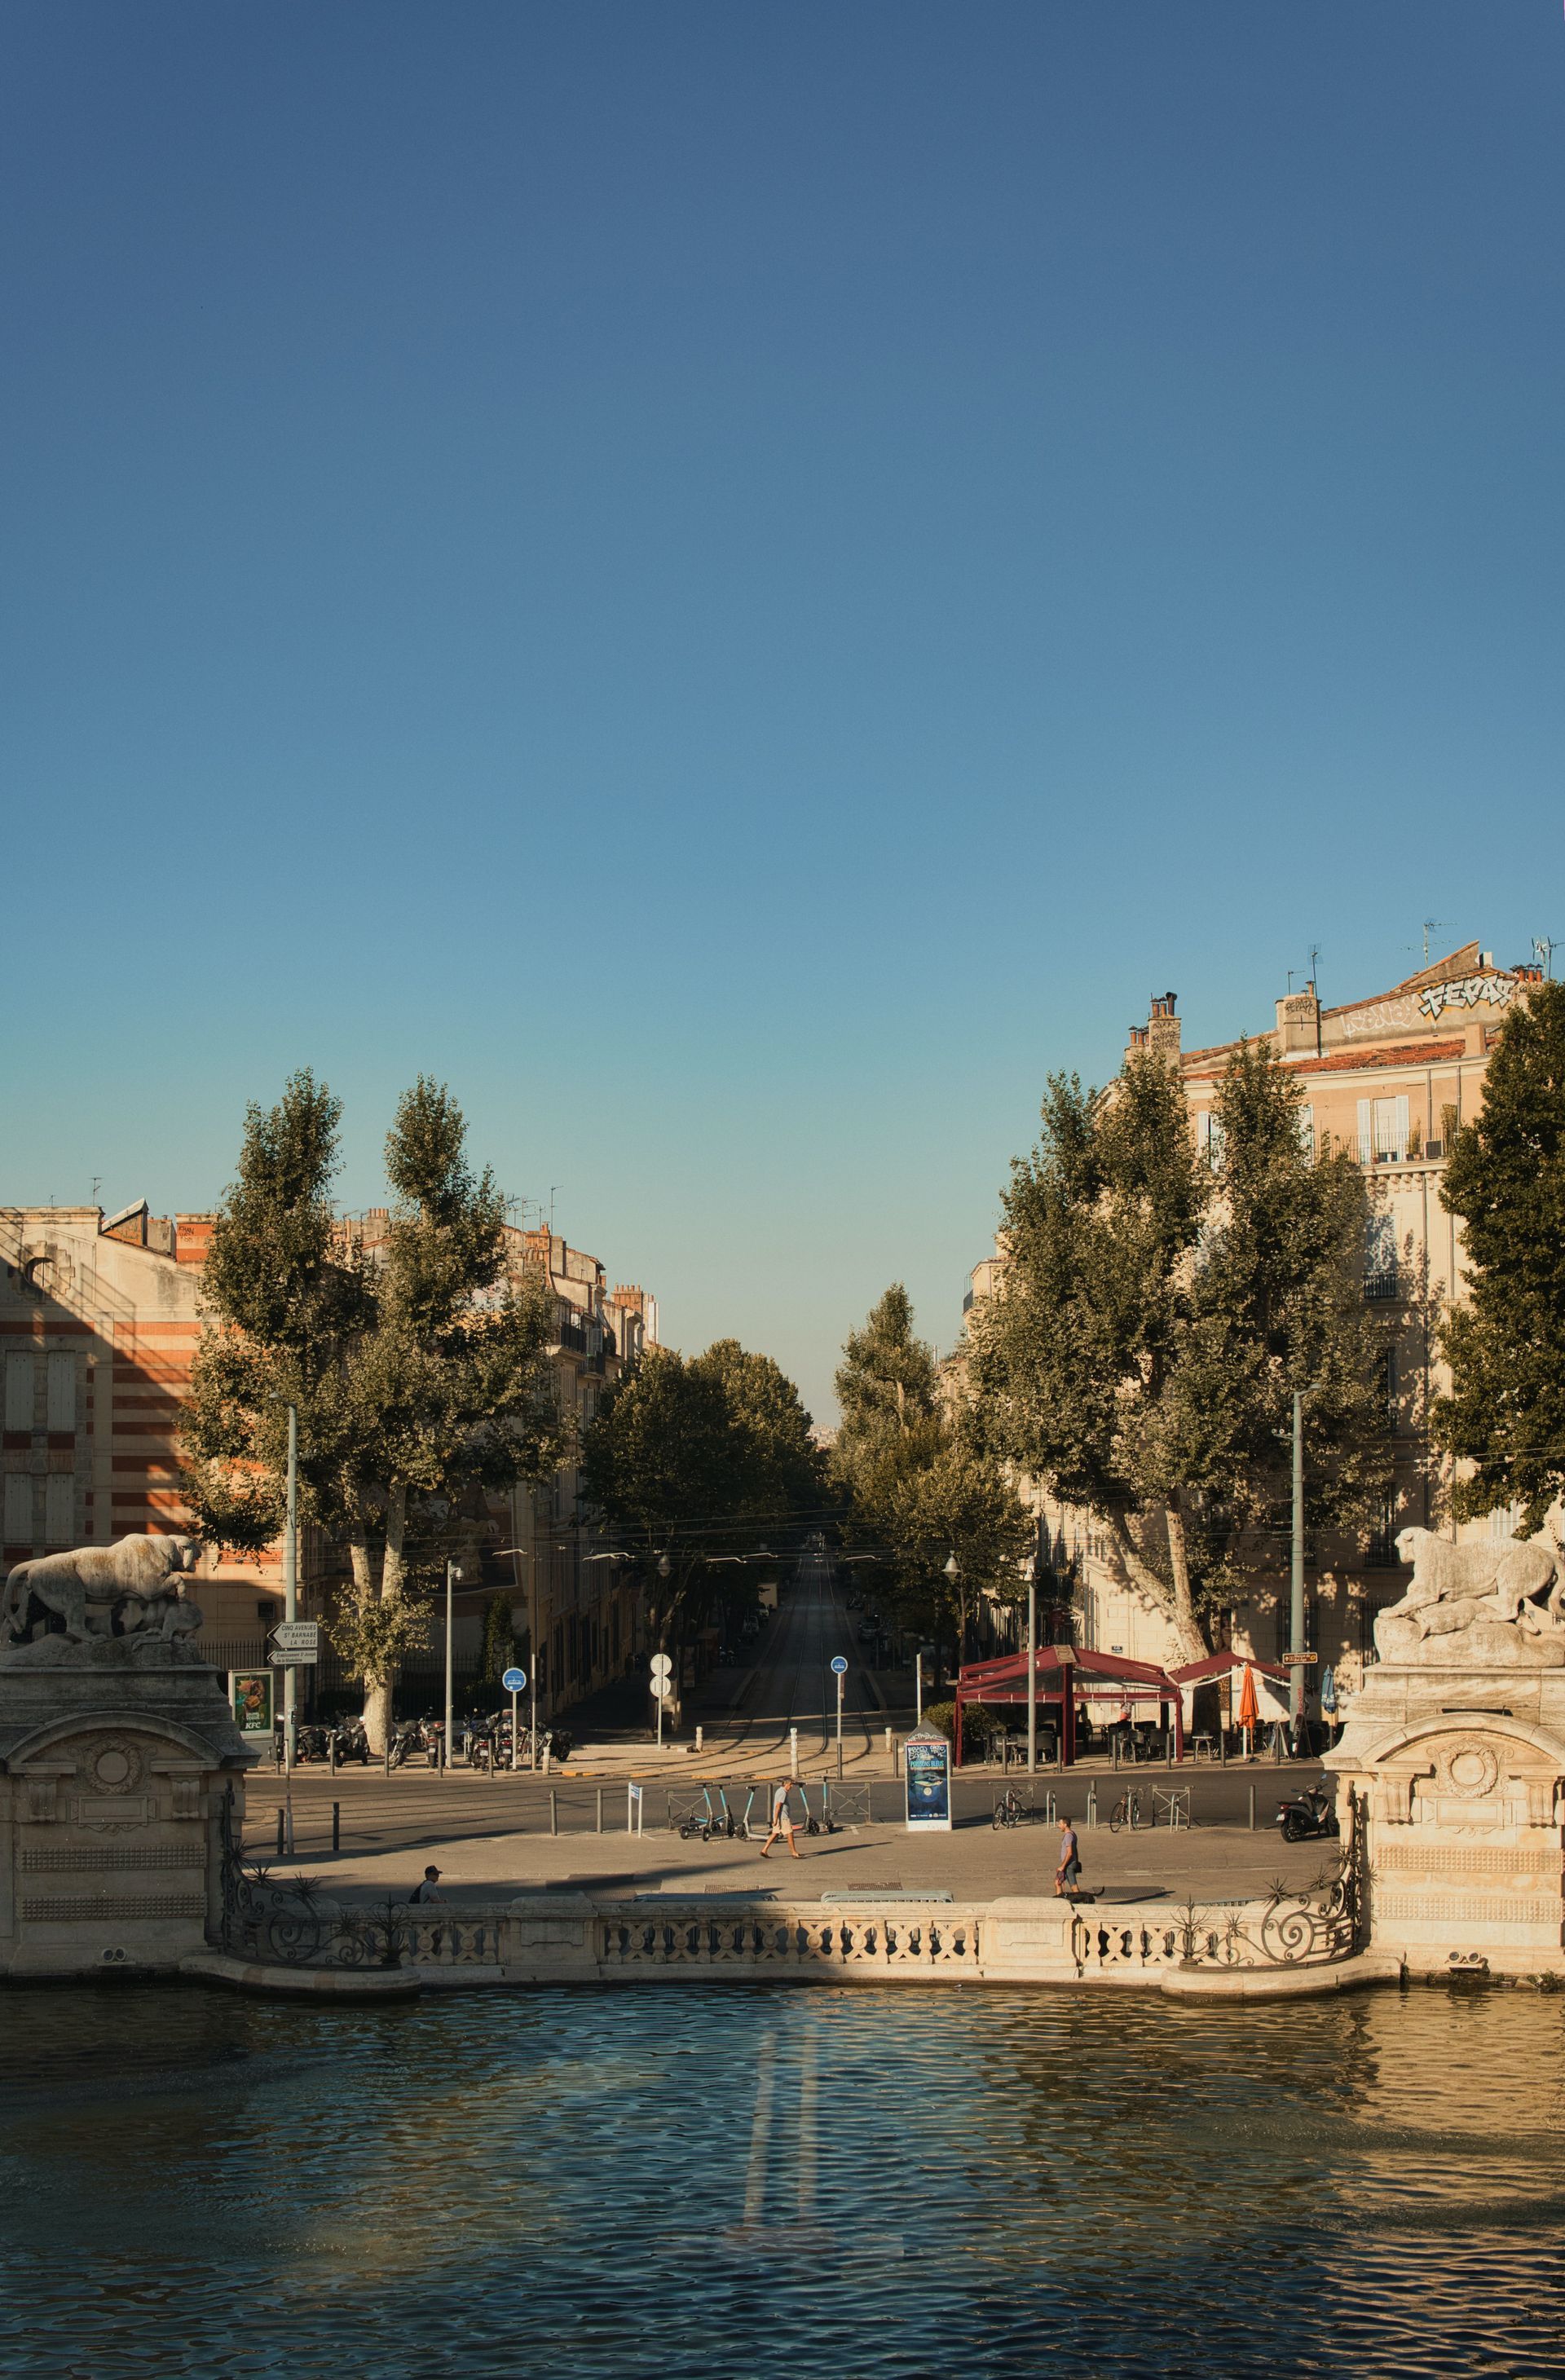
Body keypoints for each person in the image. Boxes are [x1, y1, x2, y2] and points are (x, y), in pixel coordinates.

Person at [759, 1778, 803, 1859]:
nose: (792, 1786)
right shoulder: (783, 1793)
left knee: (774, 1833)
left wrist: (775, 1818)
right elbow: (778, 1806)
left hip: (779, 1817)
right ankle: (794, 1852)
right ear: (786, 1784)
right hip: (783, 1818)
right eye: (790, 1784)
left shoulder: (780, 1791)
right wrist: (775, 1819)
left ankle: (764, 1850)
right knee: (790, 1834)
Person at [1054, 1815, 1082, 1899]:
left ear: (1065, 1825)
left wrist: (1062, 1866)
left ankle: (1080, 1903)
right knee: (1057, 1882)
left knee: (1073, 1886)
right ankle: (1060, 1902)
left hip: (1069, 1865)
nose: (1058, 1826)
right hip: (1069, 1864)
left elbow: (1069, 1853)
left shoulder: (1068, 1836)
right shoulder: (1072, 1834)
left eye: (1060, 1824)